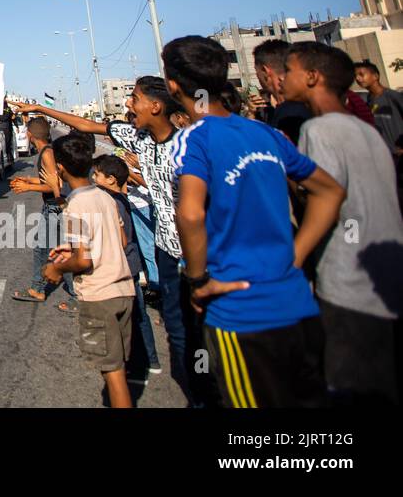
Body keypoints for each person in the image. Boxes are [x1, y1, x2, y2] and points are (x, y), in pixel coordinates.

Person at [164, 36, 345, 408]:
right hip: (298, 305)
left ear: (173, 85)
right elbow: (330, 192)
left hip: (240, 314)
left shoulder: (193, 140)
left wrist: (197, 281)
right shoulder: (264, 133)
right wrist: (296, 255)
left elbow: (191, 213)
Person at [13, 80, 188, 394]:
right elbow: (84, 124)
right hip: (166, 249)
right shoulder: (137, 137)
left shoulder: (191, 143)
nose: (128, 105)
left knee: (202, 333)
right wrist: (39, 107)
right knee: (177, 331)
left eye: (134, 99)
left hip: (198, 252)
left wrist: (57, 268)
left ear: (157, 106)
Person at [284, 42, 403, 405]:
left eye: (288, 70)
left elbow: (325, 197)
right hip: (386, 281)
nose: (283, 77)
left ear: (312, 77)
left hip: (347, 281)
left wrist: (293, 260)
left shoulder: (319, 132)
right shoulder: (365, 130)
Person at [43, 134, 136, 408]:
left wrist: (58, 268)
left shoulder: (75, 205)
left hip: (100, 296)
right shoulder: (103, 196)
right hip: (124, 290)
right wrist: (71, 249)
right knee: (120, 367)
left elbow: (84, 262)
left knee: (113, 374)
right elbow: (119, 241)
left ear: (59, 168)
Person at [92, 154, 162, 380]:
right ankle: (150, 360)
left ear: (111, 179)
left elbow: (118, 240)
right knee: (139, 316)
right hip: (130, 265)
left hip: (120, 268)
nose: (93, 178)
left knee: (128, 319)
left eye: (97, 175)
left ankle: (136, 367)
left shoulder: (110, 202)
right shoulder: (121, 197)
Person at [9, 117, 74, 309]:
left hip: (56, 208)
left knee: (60, 252)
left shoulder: (47, 154)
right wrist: (29, 180)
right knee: (44, 249)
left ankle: (75, 295)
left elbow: (56, 186)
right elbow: (47, 179)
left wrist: (28, 188)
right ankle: (37, 288)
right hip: (51, 207)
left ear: (29, 135)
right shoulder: (47, 151)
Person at [249, 39, 312, 143]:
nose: (257, 77)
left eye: (257, 71)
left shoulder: (289, 114)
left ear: (265, 71)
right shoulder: (308, 103)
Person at [354, 60, 403, 150]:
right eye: (356, 76)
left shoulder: (393, 96)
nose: (358, 79)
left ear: (375, 76)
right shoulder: (369, 101)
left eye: (361, 74)